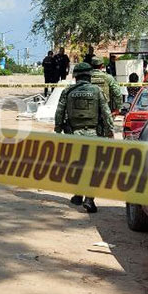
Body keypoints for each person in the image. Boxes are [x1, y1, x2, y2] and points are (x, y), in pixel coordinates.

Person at [54, 62, 113, 213]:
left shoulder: (67, 91)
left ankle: (78, 194)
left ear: (75, 77)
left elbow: (59, 112)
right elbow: (106, 113)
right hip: (94, 134)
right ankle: (89, 199)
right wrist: (109, 131)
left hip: (74, 134)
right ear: (89, 76)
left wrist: (58, 129)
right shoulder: (96, 90)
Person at [89, 57, 123, 128]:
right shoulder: (108, 77)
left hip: (89, 109)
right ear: (102, 65)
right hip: (105, 109)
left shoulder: (86, 77)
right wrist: (118, 108)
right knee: (107, 132)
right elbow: (117, 93)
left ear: (91, 65)